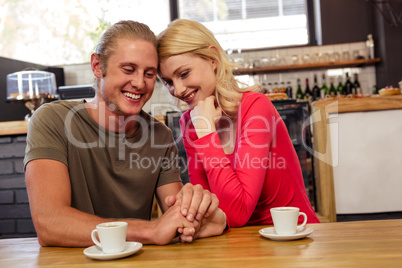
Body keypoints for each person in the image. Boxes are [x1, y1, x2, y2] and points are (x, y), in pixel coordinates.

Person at [24, 20, 227, 247]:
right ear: (97, 66)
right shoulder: (52, 120)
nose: (139, 83)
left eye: (149, 74)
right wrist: (150, 230)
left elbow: (177, 220)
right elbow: (49, 223)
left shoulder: (160, 136)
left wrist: (199, 214)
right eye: (128, 70)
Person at [157, 19, 320, 227]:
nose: (178, 90)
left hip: (291, 238)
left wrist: (207, 134)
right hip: (237, 242)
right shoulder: (190, 122)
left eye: (184, 74)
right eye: (169, 82)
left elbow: (237, 212)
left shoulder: (256, 108)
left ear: (212, 59)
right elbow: (208, 209)